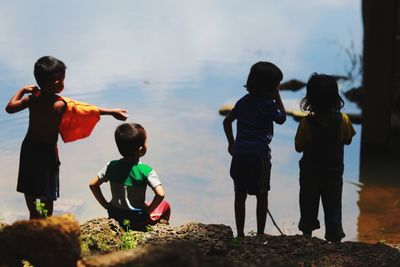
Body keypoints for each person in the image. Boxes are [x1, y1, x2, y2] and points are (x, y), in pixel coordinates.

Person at [5, 56, 128, 219]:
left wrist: (22, 90)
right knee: (47, 191)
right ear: (57, 83)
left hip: (29, 148)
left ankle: (33, 218)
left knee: (29, 186)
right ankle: (46, 221)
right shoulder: (60, 104)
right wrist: (111, 111)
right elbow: (85, 109)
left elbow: (9, 108)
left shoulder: (33, 99)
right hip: (47, 152)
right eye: (63, 80)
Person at [223, 61, 286, 237]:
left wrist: (231, 143)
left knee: (239, 195)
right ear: (271, 88)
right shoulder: (268, 105)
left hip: (240, 155)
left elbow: (226, 121)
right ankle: (259, 234)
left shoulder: (242, 102)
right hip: (260, 156)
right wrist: (277, 96)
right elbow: (282, 118)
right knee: (262, 194)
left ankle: (241, 234)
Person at [295, 73, 356, 242]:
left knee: (308, 204)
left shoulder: (306, 124)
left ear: (310, 100)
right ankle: (335, 237)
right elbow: (349, 140)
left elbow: (298, 147)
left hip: (310, 174)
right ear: (335, 99)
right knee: (333, 205)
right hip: (333, 174)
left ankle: (307, 236)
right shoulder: (343, 119)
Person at [89, 123, 170, 230]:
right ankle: (159, 225)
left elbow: (92, 185)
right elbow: (160, 194)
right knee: (165, 205)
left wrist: (107, 206)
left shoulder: (111, 166)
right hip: (137, 218)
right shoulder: (146, 170)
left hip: (115, 215)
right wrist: (148, 211)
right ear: (141, 149)